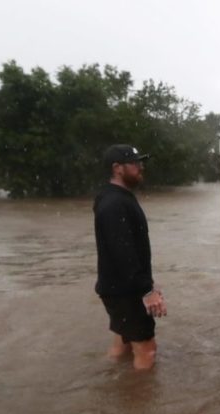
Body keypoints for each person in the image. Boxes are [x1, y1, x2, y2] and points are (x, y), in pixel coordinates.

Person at [93, 144, 167, 370]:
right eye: (134, 163)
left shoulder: (111, 197)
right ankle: (140, 402)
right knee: (147, 350)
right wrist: (147, 290)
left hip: (115, 289)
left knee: (122, 344)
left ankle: (114, 388)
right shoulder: (116, 203)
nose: (140, 166)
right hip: (127, 292)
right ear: (117, 168)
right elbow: (123, 253)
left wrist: (147, 284)